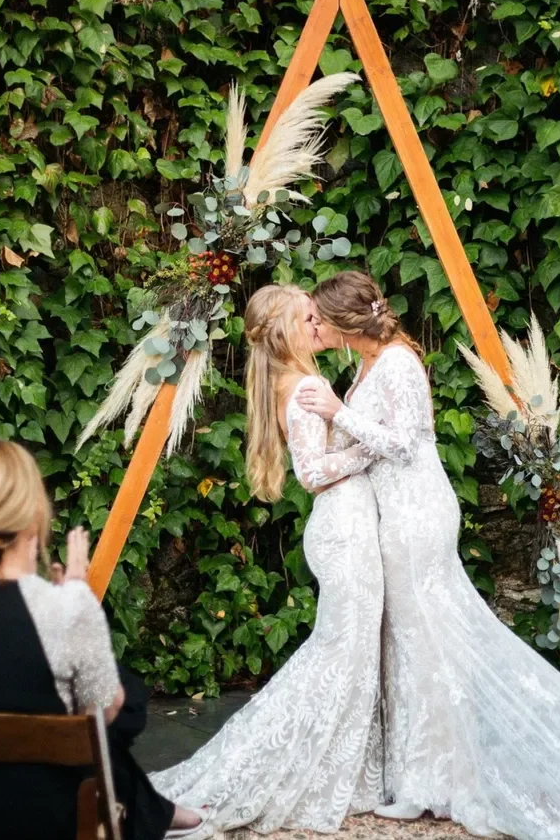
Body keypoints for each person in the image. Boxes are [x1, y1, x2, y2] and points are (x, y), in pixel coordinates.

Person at [297, 270, 560, 840]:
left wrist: (335, 413)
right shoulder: (370, 362)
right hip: (396, 514)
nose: (315, 327)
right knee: (415, 645)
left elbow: (406, 441)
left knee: (425, 644)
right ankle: (430, 775)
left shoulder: (397, 363)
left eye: (321, 318)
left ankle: (434, 785)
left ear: (349, 323)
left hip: (415, 515)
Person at [149, 284, 385, 837]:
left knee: (347, 659)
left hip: (345, 528)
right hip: (342, 530)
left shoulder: (295, 378)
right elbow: (311, 471)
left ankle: (342, 771)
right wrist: (371, 445)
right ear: (285, 330)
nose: (318, 321)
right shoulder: (304, 385)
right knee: (338, 659)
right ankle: (279, 769)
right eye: (308, 316)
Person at [0, 438, 201, 840]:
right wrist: (78, 603)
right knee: (123, 697)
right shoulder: (64, 610)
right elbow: (101, 715)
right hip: (47, 820)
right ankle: (151, 813)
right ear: (32, 509)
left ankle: (155, 811)